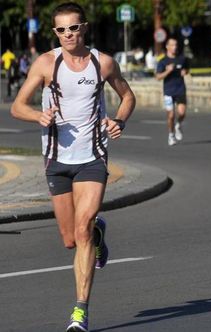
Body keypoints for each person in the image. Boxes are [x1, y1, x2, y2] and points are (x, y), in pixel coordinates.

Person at [10, 3, 135, 331]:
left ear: (84, 28)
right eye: (61, 30)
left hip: (93, 156)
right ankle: (97, 232)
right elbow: (18, 106)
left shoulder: (103, 63)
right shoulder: (46, 63)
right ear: (55, 32)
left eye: (74, 28)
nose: (68, 34)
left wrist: (119, 121)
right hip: (56, 160)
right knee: (70, 239)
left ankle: (79, 310)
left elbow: (128, 96)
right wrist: (38, 115)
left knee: (81, 229)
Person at [155, 37, 189, 146]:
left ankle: (178, 125)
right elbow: (158, 77)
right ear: (167, 46)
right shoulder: (163, 61)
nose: (175, 47)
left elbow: (187, 69)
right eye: (172, 45)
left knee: (182, 113)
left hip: (180, 89)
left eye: (176, 45)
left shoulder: (182, 59)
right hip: (168, 91)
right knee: (170, 116)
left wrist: (185, 72)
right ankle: (171, 135)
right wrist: (167, 71)